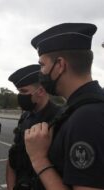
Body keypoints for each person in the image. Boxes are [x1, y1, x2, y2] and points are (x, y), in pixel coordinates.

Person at [24, 23, 104, 189]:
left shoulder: (86, 118)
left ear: (60, 65)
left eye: (42, 65)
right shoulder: (85, 107)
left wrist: (39, 159)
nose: (41, 73)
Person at [6, 65, 60, 190]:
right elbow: (13, 158)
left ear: (40, 91)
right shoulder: (25, 118)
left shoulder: (59, 118)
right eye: (19, 91)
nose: (20, 96)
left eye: (23, 91)